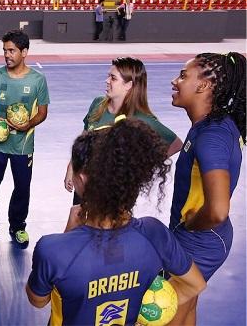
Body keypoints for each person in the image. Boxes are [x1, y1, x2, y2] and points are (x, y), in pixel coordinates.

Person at [26, 118, 206, 325]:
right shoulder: (153, 233)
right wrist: (149, 314)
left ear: (82, 178)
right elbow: (195, 285)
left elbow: (38, 300)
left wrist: (70, 232)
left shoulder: (53, 249)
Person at [168, 52, 245, 325]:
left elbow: (218, 210)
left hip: (199, 242)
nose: (175, 81)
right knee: (187, 309)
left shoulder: (210, 137)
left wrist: (191, 224)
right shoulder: (212, 125)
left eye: (183, 76)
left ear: (204, 86)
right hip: (203, 241)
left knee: (165, 316)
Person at [64, 57, 183, 205]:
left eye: (113, 78)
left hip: (113, 195)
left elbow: (176, 144)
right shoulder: (97, 104)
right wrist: (72, 168)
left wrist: (137, 170)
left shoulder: (142, 120)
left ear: (128, 85)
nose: (107, 81)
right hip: (85, 186)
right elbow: (84, 138)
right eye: (108, 76)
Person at [0, 29, 50, 246]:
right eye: (4, 50)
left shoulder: (38, 80)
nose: (7, 55)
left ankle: (17, 226)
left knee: (22, 188)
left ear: (24, 52)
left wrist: (28, 124)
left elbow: (43, 112)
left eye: (12, 51)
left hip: (22, 145)